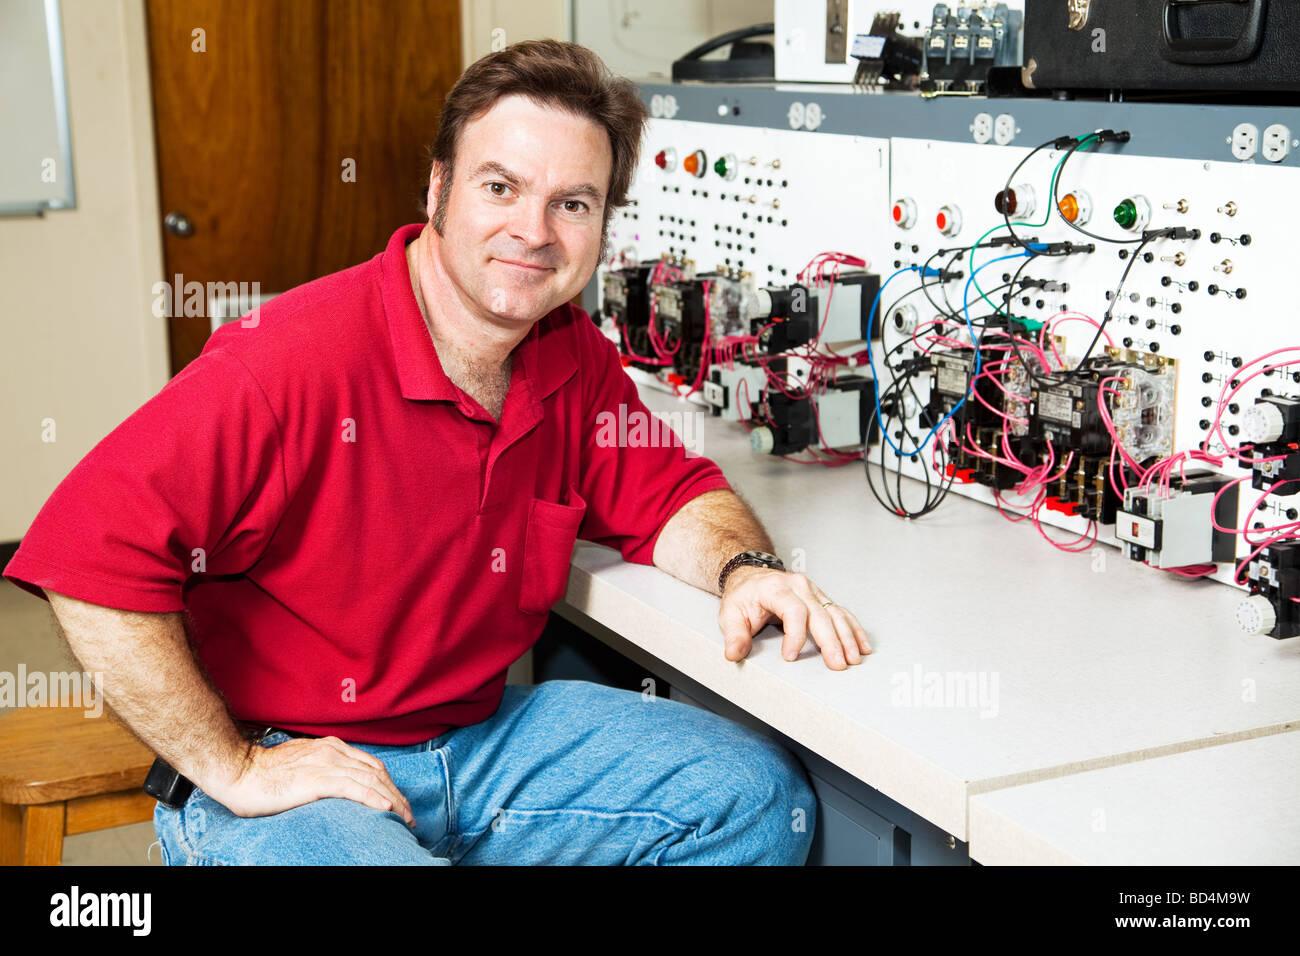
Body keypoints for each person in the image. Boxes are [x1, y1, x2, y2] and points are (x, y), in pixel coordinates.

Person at [3, 39, 870, 865]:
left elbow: (670, 493)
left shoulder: (568, 352)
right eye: (500, 187)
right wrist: (233, 766)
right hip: (298, 761)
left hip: (482, 742)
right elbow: (87, 559)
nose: (533, 232)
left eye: (572, 203)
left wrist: (747, 567)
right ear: (438, 189)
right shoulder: (284, 362)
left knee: (750, 799)